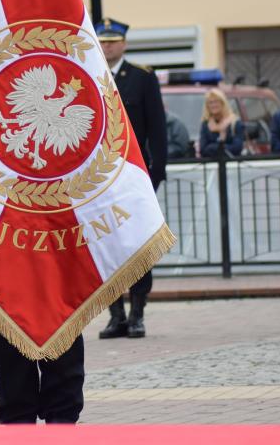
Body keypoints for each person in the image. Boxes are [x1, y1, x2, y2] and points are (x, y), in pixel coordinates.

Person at [97, 18, 167, 339]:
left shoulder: (142, 77)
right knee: (106, 247)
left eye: (112, 41)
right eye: (103, 41)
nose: (107, 47)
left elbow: (157, 128)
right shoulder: (89, 73)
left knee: (138, 245)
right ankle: (116, 315)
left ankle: (137, 312)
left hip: (135, 177)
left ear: (123, 44)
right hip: (99, 179)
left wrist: (156, 172)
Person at [199, 88, 245, 158]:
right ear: (207, 106)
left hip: (233, 163)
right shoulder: (206, 124)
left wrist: (212, 147)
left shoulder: (235, 123)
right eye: (210, 102)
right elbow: (203, 150)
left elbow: (237, 148)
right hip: (210, 164)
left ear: (223, 103)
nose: (213, 105)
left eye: (216, 101)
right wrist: (221, 145)